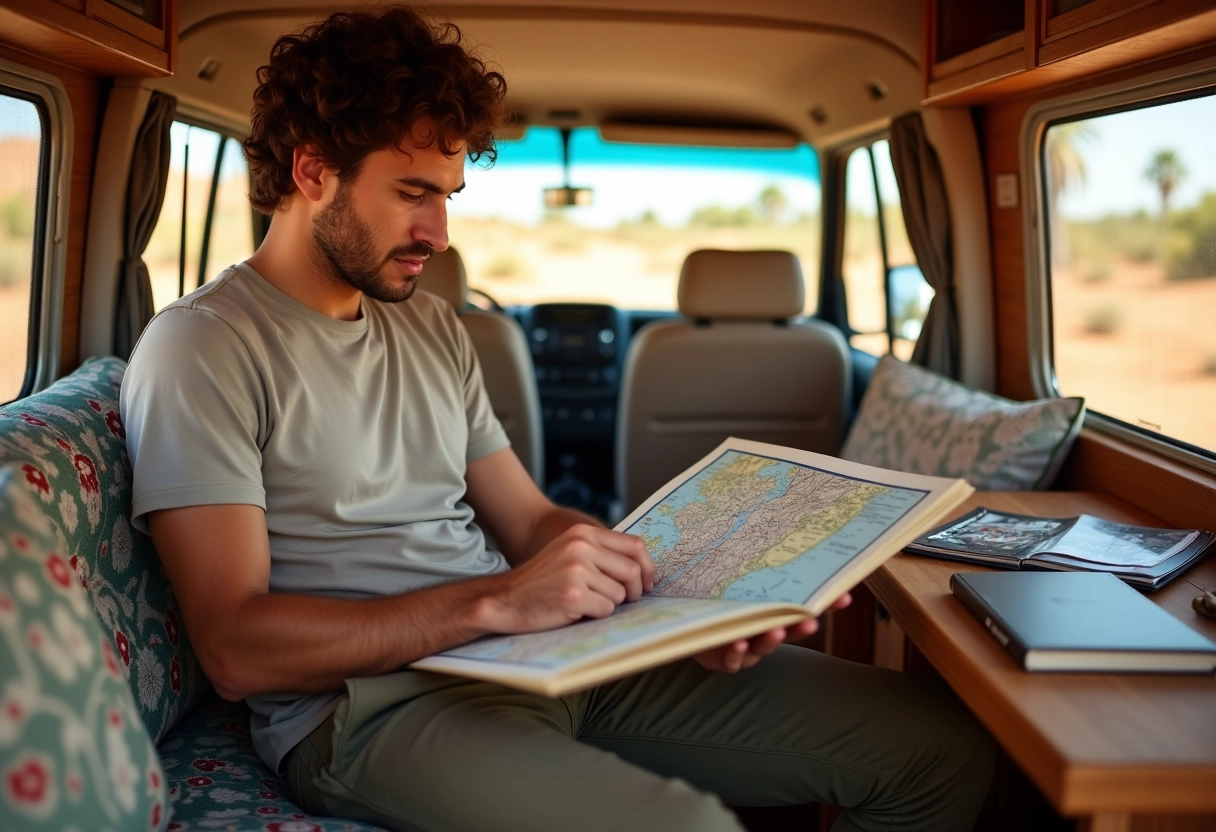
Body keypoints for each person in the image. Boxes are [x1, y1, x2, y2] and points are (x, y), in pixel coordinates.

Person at [120, 8, 995, 832]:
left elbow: (531, 520)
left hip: (538, 654)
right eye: (412, 192)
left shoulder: (427, 325)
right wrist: (500, 599)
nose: (439, 230)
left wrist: (684, 607)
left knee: (939, 749)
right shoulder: (202, 348)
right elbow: (235, 644)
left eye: (450, 194)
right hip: (366, 708)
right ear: (312, 172)